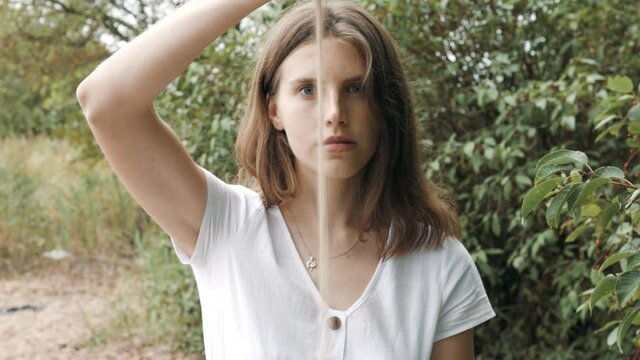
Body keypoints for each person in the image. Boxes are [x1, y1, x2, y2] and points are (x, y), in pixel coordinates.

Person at [76, 0, 496, 358]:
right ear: (273, 109)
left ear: (386, 106)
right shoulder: (225, 226)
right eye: (308, 90)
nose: (334, 113)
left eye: (355, 88)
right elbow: (106, 100)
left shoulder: (440, 263)